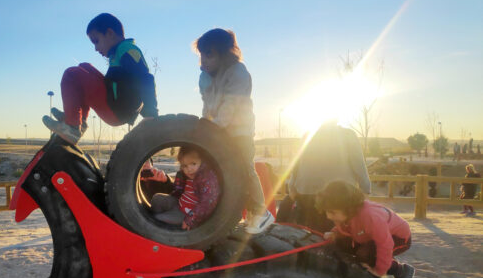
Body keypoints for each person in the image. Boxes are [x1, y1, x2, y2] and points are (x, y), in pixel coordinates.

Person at [194, 28, 274, 234]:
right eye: (201, 55)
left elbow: (231, 105)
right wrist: (204, 123)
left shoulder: (238, 73)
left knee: (244, 168)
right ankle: (234, 213)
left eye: (209, 55)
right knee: (224, 173)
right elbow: (208, 104)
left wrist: (214, 127)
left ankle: (261, 212)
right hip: (219, 131)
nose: (204, 60)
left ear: (224, 53)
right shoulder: (208, 77)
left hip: (240, 131)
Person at [43, 13, 158, 144]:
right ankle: (78, 121)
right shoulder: (119, 52)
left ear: (110, 33)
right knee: (84, 67)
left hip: (117, 110)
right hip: (117, 106)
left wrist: (150, 113)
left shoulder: (127, 50)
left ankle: (73, 127)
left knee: (72, 74)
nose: (96, 48)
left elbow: (145, 79)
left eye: (96, 41)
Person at [316, 181, 415, 278]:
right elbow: (346, 227)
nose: (328, 216)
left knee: (366, 256)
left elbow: (385, 244)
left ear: (348, 208)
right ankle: (374, 261)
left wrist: (379, 270)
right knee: (342, 243)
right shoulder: (348, 213)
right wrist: (335, 233)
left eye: (332, 212)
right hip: (370, 236)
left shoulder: (370, 217)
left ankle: (400, 270)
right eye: (327, 212)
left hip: (398, 237)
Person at [287, 121, 371, 232]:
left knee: (309, 233)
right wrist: (365, 189)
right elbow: (358, 163)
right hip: (339, 194)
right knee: (337, 234)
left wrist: (291, 186)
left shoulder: (308, 135)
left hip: (307, 191)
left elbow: (297, 162)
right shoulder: (347, 134)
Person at [150, 146, 220, 230]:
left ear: (202, 162)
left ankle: (172, 231)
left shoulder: (206, 178)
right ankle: (167, 217)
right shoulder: (185, 176)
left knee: (156, 219)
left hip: (187, 214)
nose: (189, 169)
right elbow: (178, 190)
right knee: (157, 198)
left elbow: (208, 202)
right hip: (179, 204)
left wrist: (191, 219)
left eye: (193, 164)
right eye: (185, 166)